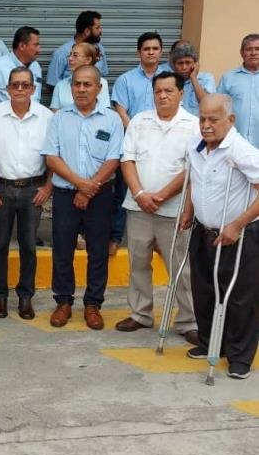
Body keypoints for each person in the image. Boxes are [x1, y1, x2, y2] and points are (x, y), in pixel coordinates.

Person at [115, 71, 199, 345]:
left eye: (169, 91)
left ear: (181, 94)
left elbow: (192, 168)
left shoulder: (194, 125)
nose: (162, 95)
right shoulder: (139, 121)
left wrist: (161, 195)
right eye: (158, 91)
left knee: (180, 268)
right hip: (139, 207)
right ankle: (140, 314)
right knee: (138, 261)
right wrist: (139, 193)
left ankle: (189, 320)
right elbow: (127, 159)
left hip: (173, 209)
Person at [181, 93, 259, 379]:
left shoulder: (241, 150)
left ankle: (240, 357)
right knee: (205, 291)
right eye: (202, 118)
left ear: (230, 120)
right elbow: (194, 183)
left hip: (238, 237)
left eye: (213, 119)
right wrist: (189, 211)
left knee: (239, 298)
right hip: (204, 231)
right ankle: (210, 343)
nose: (206, 125)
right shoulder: (196, 146)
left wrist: (237, 224)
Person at [42, 65, 124, 329]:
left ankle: (92, 304)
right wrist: (80, 185)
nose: (81, 89)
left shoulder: (112, 119)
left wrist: (90, 189)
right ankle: (63, 302)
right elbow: (51, 157)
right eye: (77, 84)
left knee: (97, 252)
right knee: (63, 250)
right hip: (66, 195)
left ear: (99, 88)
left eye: (87, 84)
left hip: (100, 195)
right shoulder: (60, 117)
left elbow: (114, 158)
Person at [0, 67, 52, 319]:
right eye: (15, 85)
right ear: (7, 88)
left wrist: (48, 187)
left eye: (25, 85)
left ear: (33, 89)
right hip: (0, 189)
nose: (20, 89)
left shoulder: (46, 117)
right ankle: (0, 297)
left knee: (29, 247)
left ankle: (25, 298)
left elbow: (56, 156)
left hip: (33, 190)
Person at [110, 31, 165, 256]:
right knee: (124, 191)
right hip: (132, 144)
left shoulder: (168, 78)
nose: (151, 52)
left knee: (158, 189)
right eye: (146, 49)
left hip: (162, 144)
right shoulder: (126, 79)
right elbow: (120, 109)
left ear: (161, 52)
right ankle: (115, 236)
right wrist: (137, 133)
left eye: (155, 48)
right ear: (138, 52)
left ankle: (158, 239)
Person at [46, 10, 109, 88]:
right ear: (87, 31)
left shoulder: (99, 49)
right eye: (97, 28)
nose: (101, 31)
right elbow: (52, 85)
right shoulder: (62, 53)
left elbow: (102, 77)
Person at [218, 33, 259, 148]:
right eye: (249, 49)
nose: (254, 53)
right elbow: (219, 109)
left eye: (257, 49)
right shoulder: (228, 78)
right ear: (242, 53)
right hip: (235, 144)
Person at [50, 42, 110, 111]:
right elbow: (54, 113)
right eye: (69, 55)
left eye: (75, 55)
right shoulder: (60, 85)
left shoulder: (101, 82)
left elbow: (104, 111)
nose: (70, 58)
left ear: (88, 60)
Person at [168, 41, 215, 116]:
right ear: (173, 66)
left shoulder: (206, 78)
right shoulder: (169, 81)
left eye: (188, 62)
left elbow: (208, 105)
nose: (184, 67)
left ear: (195, 63)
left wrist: (193, 78)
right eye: (180, 63)